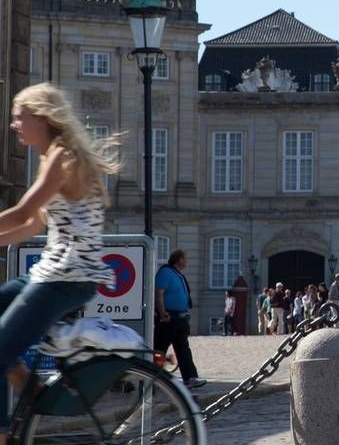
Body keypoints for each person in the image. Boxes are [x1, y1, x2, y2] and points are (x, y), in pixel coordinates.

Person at [0, 83, 126, 425]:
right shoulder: (50, 157)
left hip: (67, 277)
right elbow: (31, 228)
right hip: (51, 272)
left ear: (41, 117)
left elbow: (23, 212)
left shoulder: (62, 155)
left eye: (19, 117)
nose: (14, 125)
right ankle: (32, 388)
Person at [154, 249, 206, 388]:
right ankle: (152, 376)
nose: (187, 261)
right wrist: (162, 312)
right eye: (185, 258)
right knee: (159, 349)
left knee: (183, 348)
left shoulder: (177, 274)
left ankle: (190, 378)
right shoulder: (166, 272)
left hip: (181, 318)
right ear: (179, 259)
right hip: (169, 317)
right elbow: (159, 293)